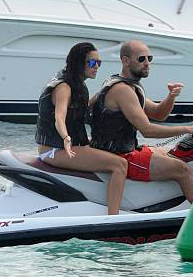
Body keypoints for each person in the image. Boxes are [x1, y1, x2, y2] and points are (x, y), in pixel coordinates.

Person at [90, 40, 193, 203]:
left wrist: (171, 97)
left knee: (170, 152)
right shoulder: (122, 90)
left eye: (149, 58)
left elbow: (158, 114)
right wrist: (190, 128)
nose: (147, 63)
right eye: (141, 59)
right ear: (125, 61)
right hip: (119, 156)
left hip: (126, 149)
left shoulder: (129, 86)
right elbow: (148, 130)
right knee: (182, 169)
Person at [35, 42, 128, 215]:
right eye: (92, 63)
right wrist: (66, 137)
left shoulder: (77, 84)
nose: (97, 67)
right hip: (54, 150)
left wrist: (109, 92)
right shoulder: (64, 87)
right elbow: (59, 117)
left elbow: (84, 110)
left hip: (68, 146)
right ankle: (113, 218)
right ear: (79, 63)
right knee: (119, 165)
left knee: (114, 149)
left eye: (99, 63)